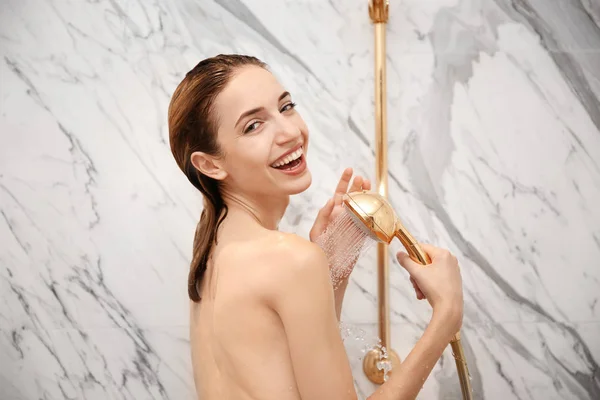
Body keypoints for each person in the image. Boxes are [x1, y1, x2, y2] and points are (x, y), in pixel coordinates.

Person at [167, 54, 464, 400]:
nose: (290, 132)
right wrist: (447, 315)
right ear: (210, 164)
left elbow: (286, 372)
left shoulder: (210, 253)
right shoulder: (288, 259)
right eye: (253, 125)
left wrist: (330, 270)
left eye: (286, 106)